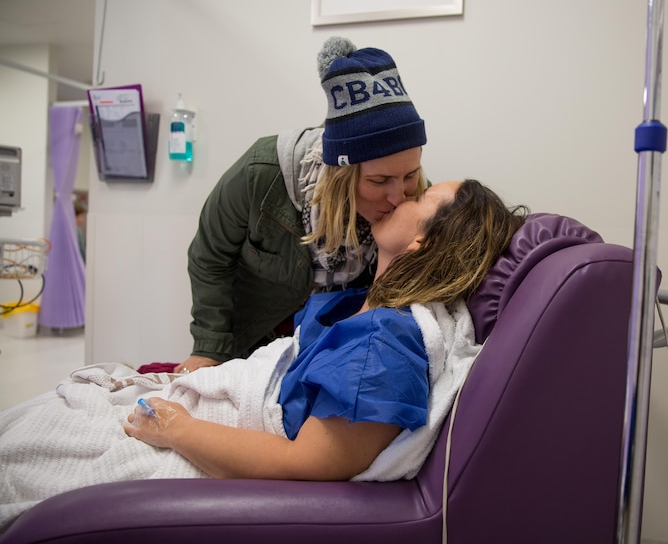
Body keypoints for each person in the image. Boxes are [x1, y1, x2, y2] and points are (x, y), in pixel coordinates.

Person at [0, 179, 527, 529]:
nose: (399, 194)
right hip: (219, 411)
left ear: (422, 242)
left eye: (418, 194)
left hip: (222, 438)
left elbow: (314, 462)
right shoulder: (370, 309)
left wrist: (178, 429)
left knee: (28, 455)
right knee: (38, 421)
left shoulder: (385, 342)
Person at [178, 36, 429, 374]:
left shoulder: (418, 201)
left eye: (410, 175)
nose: (399, 197)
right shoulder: (261, 175)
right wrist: (209, 348)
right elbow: (209, 258)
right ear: (340, 175)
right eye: (378, 181)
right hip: (251, 348)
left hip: (330, 351)